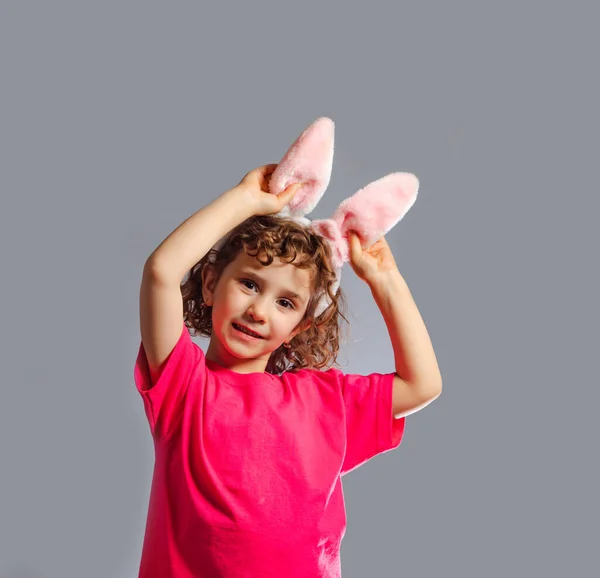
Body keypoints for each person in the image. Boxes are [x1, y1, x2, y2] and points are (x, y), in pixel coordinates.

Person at [134, 163, 443, 578]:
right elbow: (162, 272)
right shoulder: (184, 387)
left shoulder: (324, 400)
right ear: (210, 284)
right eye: (249, 283)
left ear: (299, 327)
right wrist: (246, 200)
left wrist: (386, 280)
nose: (258, 311)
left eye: (285, 303)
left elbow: (421, 384)